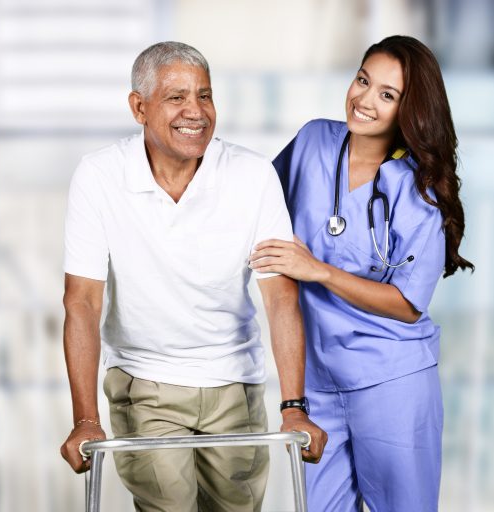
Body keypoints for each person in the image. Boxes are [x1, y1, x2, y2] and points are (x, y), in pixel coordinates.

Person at [59, 41, 326, 512]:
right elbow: (81, 302)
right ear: (139, 107)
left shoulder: (252, 175)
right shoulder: (99, 176)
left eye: (204, 95)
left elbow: (281, 299)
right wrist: (85, 418)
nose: (195, 111)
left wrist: (293, 407)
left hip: (234, 385)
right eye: (176, 97)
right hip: (145, 383)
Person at [250, 35, 474, 511]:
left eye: (387, 95)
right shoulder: (313, 141)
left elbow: (409, 305)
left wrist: (320, 272)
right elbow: (255, 202)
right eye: (363, 80)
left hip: (392, 382)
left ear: (408, 109)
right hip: (316, 382)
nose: (365, 100)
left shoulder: (420, 188)